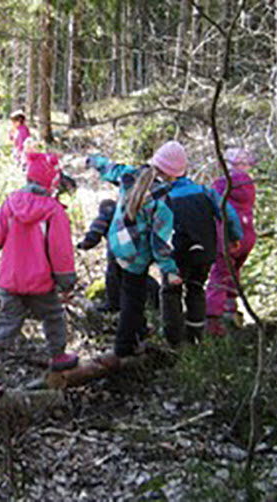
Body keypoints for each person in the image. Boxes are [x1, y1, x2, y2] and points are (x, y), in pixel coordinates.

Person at [0, 152, 78, 396]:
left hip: (10, 281)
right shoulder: (54, 211)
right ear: (51, 181)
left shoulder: (11, 203)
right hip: (41, 282)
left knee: (6, 326)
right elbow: (61, 252)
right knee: (53, 316)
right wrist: (67, 282)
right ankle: (58, 355)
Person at [86, 153, 181, 368]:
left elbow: (109, 168)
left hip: (117, 245)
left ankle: (140, 331)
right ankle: (124, 345)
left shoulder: (129, 174)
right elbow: (161, 241)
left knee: (124, 287)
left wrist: (94, 160)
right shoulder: (162, 200)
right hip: (137, 255)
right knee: (133, 301)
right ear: (174, 175)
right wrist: (170, 270)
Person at [152, 141, 243, 346]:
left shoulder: (163, 196)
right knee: (196, 288)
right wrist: (234, 236)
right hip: (204, 253)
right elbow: (227, 212)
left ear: (167, 173)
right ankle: (195, 336)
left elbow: (155, 227)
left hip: (177, 256)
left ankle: (173, 339)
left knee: (170, 292)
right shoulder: (204, 191)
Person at [206, 148, 258, 336]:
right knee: (233, 270)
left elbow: (213, 207)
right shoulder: (250, 185)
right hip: (248, 235)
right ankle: (230, 307)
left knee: (219, 274)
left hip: (228, 237)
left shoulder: (221, 186)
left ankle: (213, 319)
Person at [77, 199, 160, 312]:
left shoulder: (106, 213)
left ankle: (113, 304)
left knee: (113, 276)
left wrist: (83, 245)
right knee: (137, 276)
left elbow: (96, 232)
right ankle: (155, 300)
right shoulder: (126, 212)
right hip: (139, 248)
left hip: (118, 251)